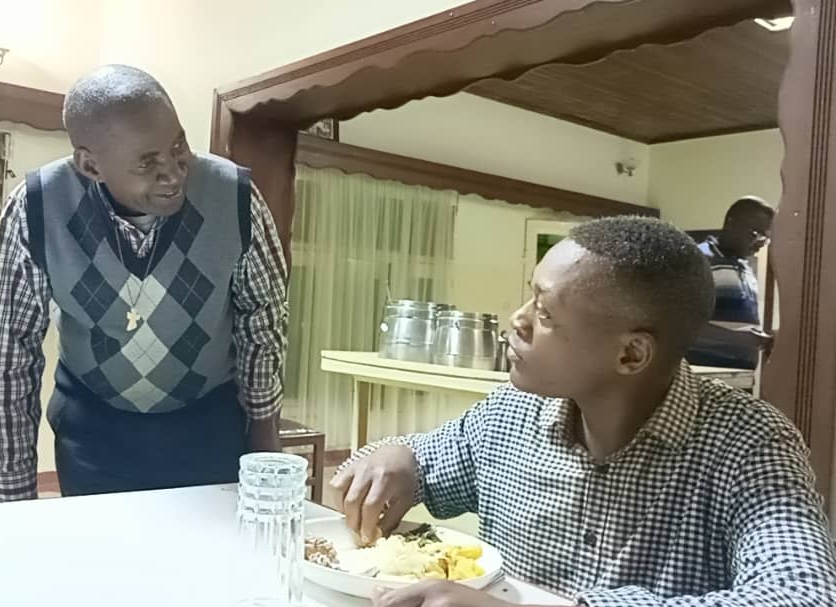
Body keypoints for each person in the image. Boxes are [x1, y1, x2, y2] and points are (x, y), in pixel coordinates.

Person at [334, 217, 836, 607]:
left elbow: (802, 596)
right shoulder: (513, 412)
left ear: (631, 354)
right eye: (530, 296)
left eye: (545, 312)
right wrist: (397, 457)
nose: (518, 320)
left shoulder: (748, 442)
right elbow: (424, 460)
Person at [0, 64, 288, 501]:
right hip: (94, 433)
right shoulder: (35, 208)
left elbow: (263, 321)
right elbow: (8, 357)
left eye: (178, 146)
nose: (173, 173)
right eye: (147, 162)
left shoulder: (234, 196)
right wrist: (13, 499)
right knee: (103, 546)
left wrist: (263, 450)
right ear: (91, 165)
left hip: (210, 426)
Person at [686, 195, 775, 370]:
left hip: (740, 376)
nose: (760, 243)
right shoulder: (699, 259)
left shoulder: (745, 267)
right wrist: (738, 338)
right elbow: (679, 323)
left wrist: (758, 339)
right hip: (704, 374)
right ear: (731, 224)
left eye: (765, 237)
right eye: (755, 234)